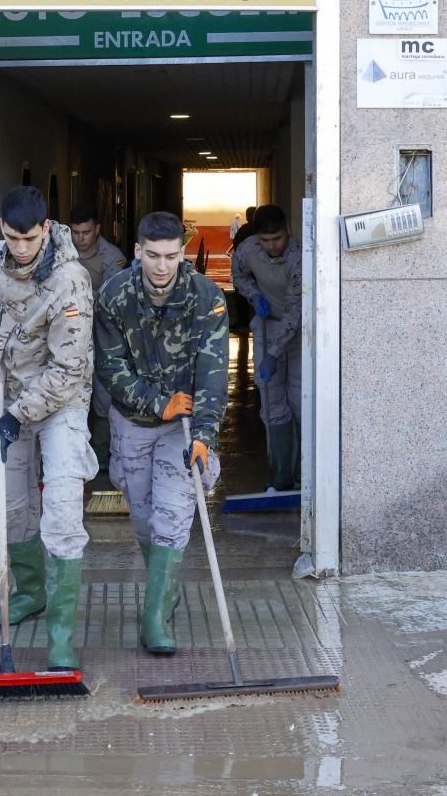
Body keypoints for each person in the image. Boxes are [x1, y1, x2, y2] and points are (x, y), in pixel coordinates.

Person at [0, 185, 97, 670]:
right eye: (11, 238)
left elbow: (67, 369)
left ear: (46, 227)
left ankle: (60, 635)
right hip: (7, 392)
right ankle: (29, 592)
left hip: (58, 402)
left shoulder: (71, 281)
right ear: (1, 230)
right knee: (10, 501)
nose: (20, 249)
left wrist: (16, 414)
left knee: (62, 511)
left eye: (29, 238)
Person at [95, 211, 228, 655]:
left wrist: (205, 434)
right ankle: (165, 590)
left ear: (183, 253)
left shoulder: (206, 297)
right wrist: (157, 401)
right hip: (133, 420)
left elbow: (213, 373)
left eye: (171, 256)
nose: (161, 266)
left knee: (172, 516)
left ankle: (153, 621)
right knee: (144, 517)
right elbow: (110, 368)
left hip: (184, 425)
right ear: (138, 252)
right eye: (152, 255)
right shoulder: (114, 294)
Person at [230, 204, 301, 491]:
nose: (272, 246)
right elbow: (239, 276)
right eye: (265, 240)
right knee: (271, 401)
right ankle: (280, 475)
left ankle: (303, 474)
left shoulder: (299, 256)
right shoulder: (248, 249)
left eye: (278, 239)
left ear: (288, 232)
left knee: (299, 399)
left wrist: (273, 353)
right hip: (266, 323)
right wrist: (254, 294)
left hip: (298, 331)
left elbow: (297, 311)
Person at [68, 201, 128, 478]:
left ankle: (103, 458)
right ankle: (71, 458)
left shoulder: (112, 257)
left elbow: (113, 300)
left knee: (104, 394)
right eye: (76, 232)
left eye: (86, 232)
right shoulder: (62, 252)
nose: (81, 238)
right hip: (68, 334)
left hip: (103, 333)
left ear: (97, 230)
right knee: (69, 392)